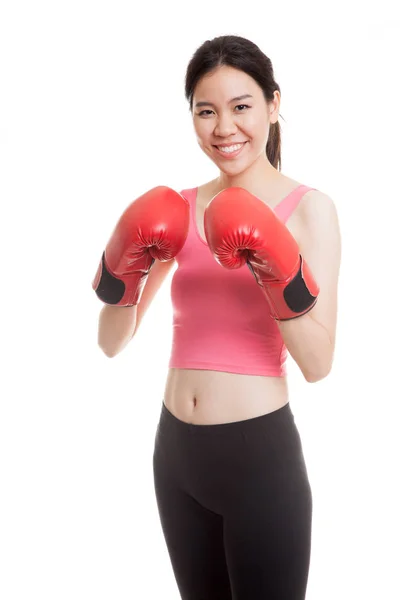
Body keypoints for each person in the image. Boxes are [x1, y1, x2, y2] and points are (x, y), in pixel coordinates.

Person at [93, 35, 341, 600]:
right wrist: (119, 269)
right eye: (206, 111)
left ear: (273, 105)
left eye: (241, 106)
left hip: (258, 458)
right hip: (175, 458)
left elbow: (319, 363)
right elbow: (112, 342)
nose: (224, 127)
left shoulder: (308, 209)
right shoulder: (176, 209)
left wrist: (272, 266)